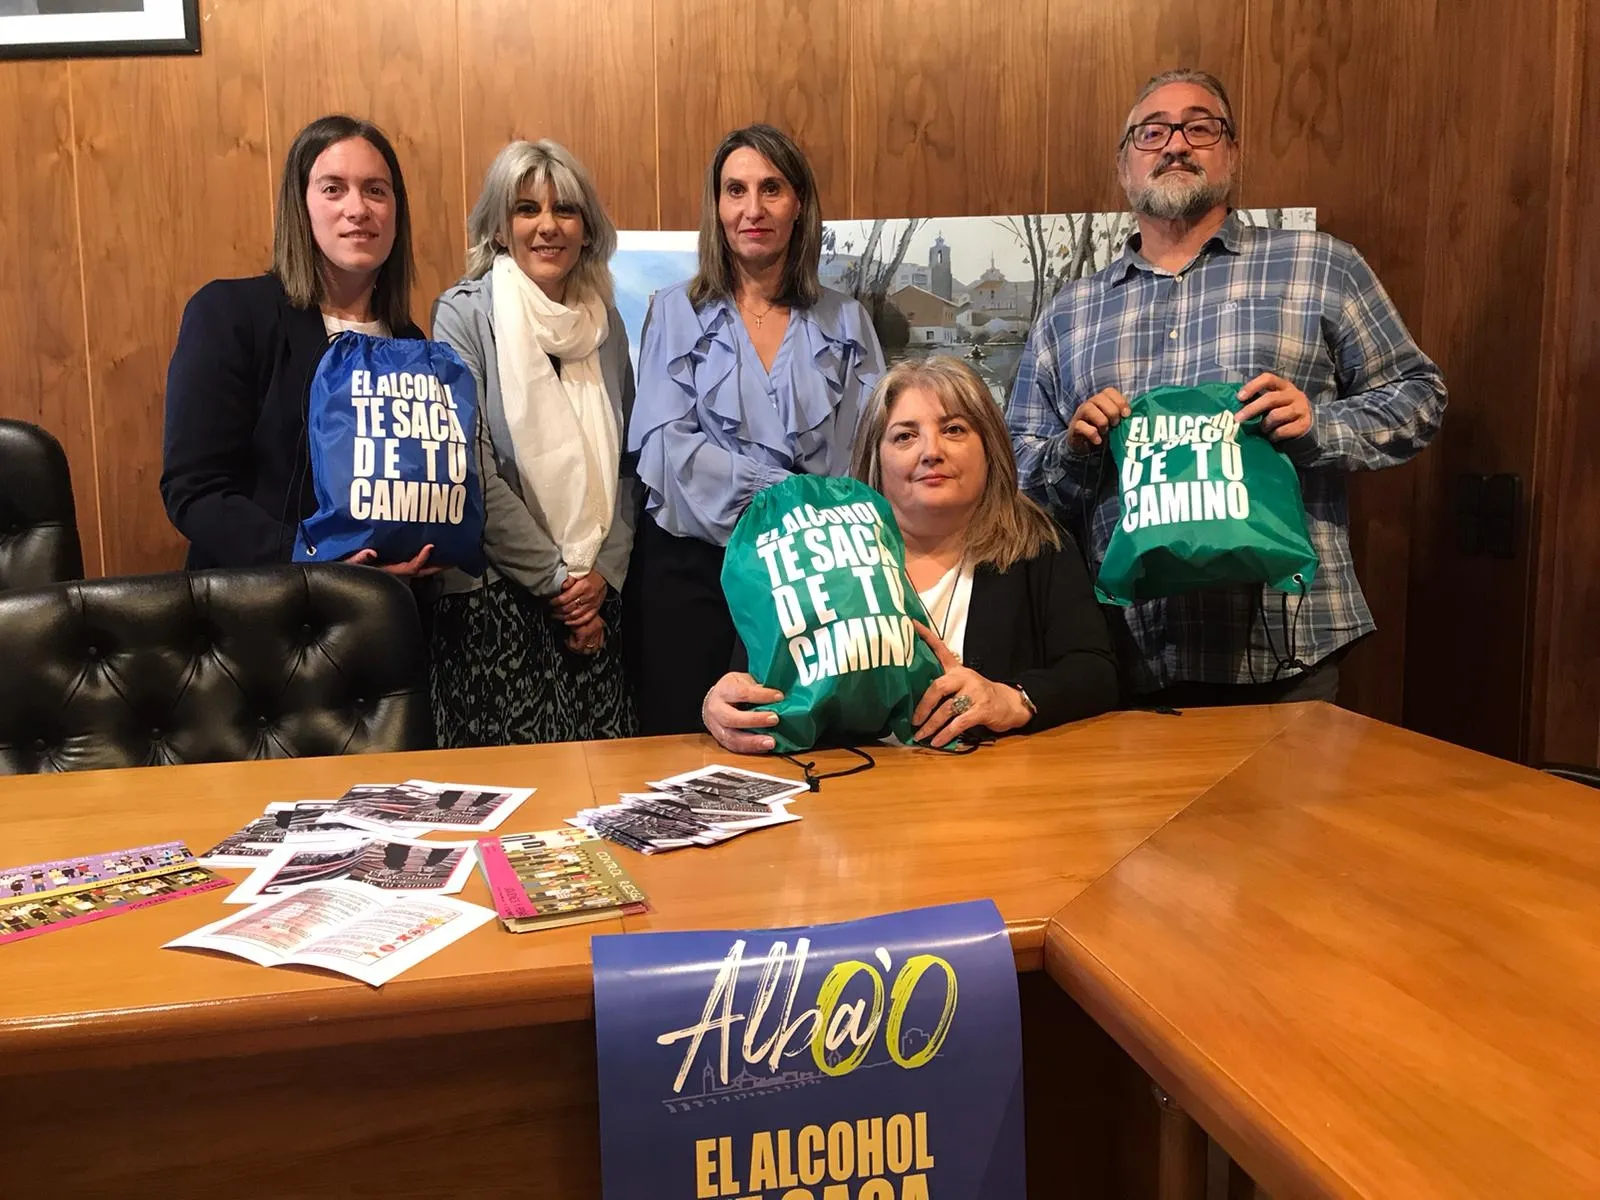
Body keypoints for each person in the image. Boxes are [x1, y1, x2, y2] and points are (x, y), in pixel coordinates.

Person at [1008, 68, 1447, 706]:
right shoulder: (1070, 311)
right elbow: (1020, 466)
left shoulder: (1320, 263)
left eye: (1200, 128)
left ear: (1232, 152)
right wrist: (1074, 450)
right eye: (1152, 132)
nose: (1176, 144)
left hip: (1291, 644)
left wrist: (1319, 427)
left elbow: (1419, 393)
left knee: (1290, 813)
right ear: (1125, 164)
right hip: (1126, 649)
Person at [703, 356, 1120, 753]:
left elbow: (1095, 671)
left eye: (954, 429)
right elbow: (751, 682)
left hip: (993, 798)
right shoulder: (808, 553)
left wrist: (1012, 700)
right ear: (876, 457)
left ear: (990, 446)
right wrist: (722, 706)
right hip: (845, 798)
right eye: (905, 435)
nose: (931, 451)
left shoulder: (1039, 544)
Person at [624, 124, 886, 735]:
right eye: (734, 190)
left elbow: (867, 455)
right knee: (683, 761)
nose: (752, 209)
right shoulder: (673, 309)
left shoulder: (847, 318)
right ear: (716, 207)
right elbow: (668, 453)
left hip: (812, 576)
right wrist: (787, 494)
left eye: (771, 189)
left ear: (800, 204)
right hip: (693, 576)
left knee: (804, 750)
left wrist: (797, 517)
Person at [162, 115, 436, 576]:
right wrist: (318, 558)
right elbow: (195, 490)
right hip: (264, 618)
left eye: (375, 190)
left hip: (386, 616)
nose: (358, 209)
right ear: (300, 205)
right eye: (333, 189)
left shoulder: (409, 342)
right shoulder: (231, 314)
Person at [428, 140, 637, 746]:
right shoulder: (464, 314)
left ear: (587, 227)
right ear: (500, 225)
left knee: (604, 803)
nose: (547, 226)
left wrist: (603, 575)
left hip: (597, 604)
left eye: (565, 210)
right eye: (526, 209)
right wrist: (557, 582)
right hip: (496, 604)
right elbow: (471, 471)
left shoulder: (608, 323)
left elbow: (631, 464)